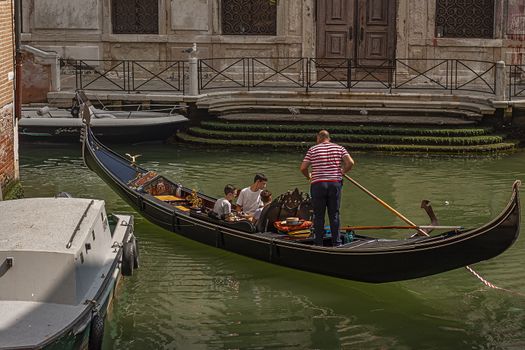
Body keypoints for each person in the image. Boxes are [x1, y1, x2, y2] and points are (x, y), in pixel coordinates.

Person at [300, 130, 354, 246]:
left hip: (318, 184)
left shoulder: (313, 149)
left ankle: (318, 243)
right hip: (334, 183)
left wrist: (308, 177)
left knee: (318, 215)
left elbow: (303, 168)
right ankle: (337, 242)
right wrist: (342, 172)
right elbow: (350, 162)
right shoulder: (339, 148)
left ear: (319, 138)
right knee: (334, 214)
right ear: (328, 138)